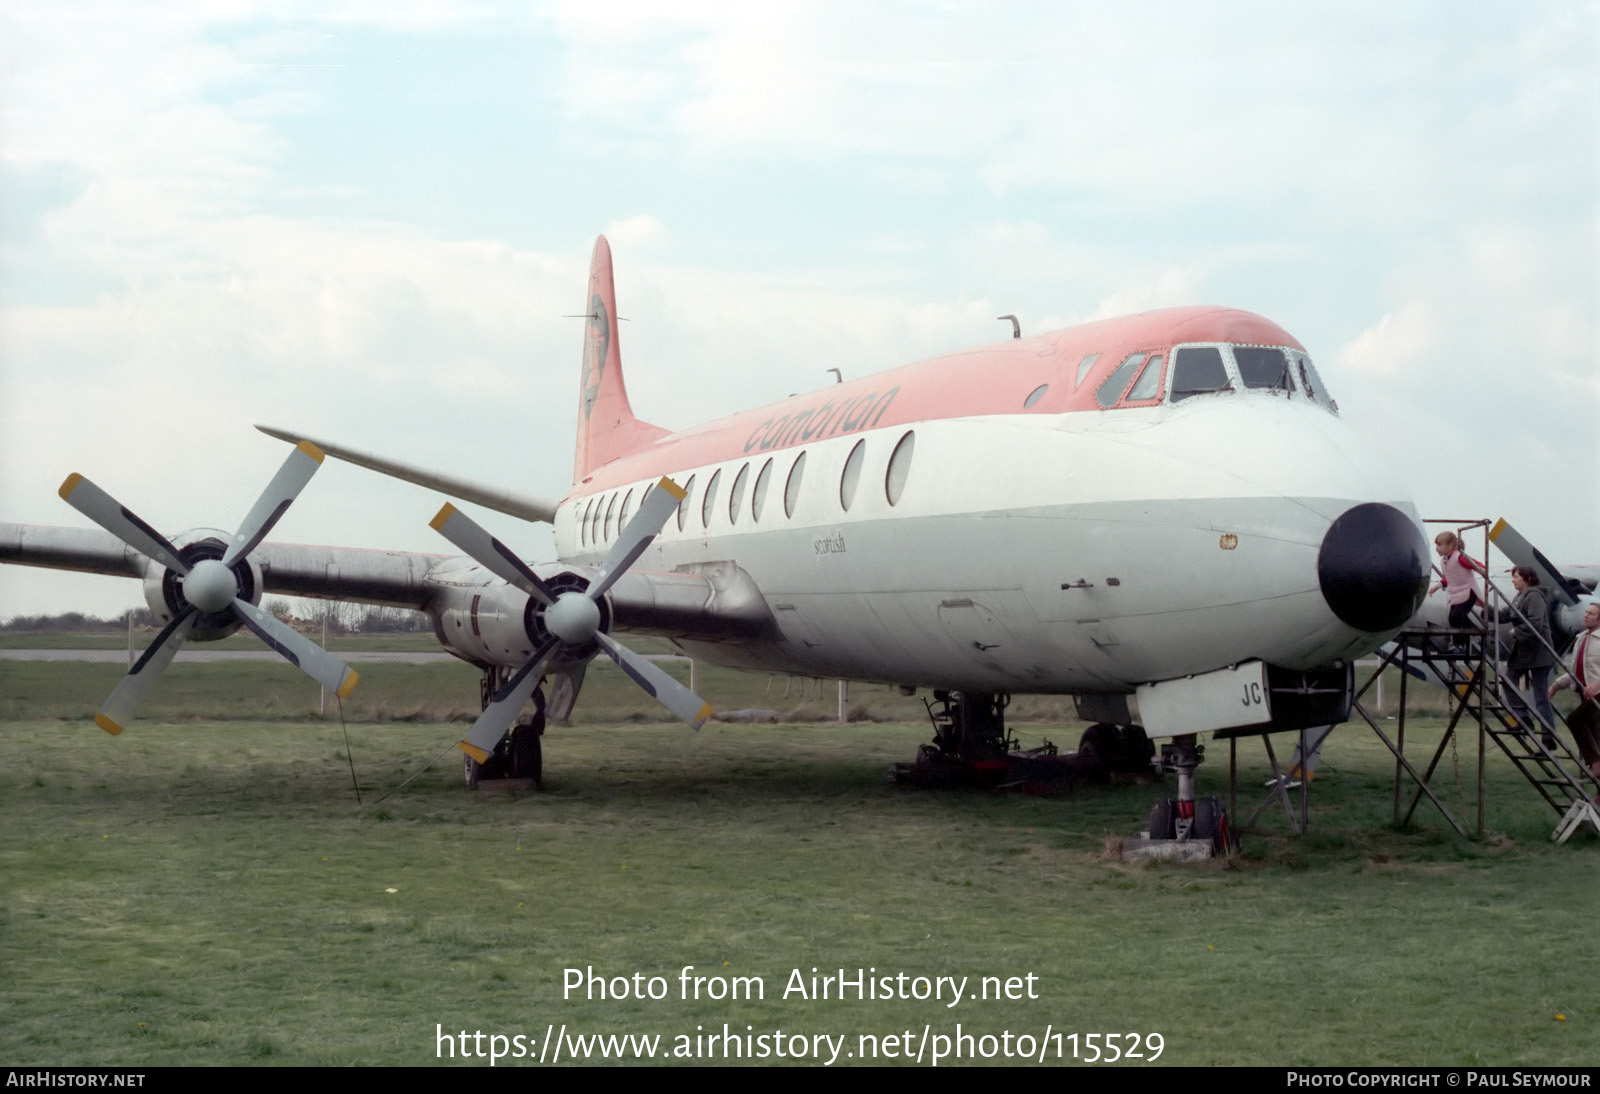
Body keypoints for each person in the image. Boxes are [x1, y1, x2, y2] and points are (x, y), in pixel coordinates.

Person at [1498, 566, 1557, 745]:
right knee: (1509, 681)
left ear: (1527, 579)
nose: (1513, 580)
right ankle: (1523, 717)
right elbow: (1505, 614)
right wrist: (1483, 607)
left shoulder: (1534, 596)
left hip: (1539, 653)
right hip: (1525, 653)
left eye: (1516, 576)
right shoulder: (1519, 598)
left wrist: (1516, 632)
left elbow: (1535, 623)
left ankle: (1548, 737)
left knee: (1540, 696)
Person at [1549, 601, 1600, 780]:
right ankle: (1596, 778)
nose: (1586, 615)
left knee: (1575, 719)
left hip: (1598, 695)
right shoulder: (1581, 639)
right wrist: (1556, 685)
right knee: (1594, 738)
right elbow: (1574, 670)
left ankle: (1595, 762)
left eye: (1591, 614)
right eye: (1586, 613)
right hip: (1584, 694)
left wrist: (1597, 685)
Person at [1430, 531, 1486, 636]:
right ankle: (1460, 643)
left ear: (1450, 546)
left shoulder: (1459, 557)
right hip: (1456, 595)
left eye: (1440, 545)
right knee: (1453, 619)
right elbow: (1447, 578)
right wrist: (1436, 587)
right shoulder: (1443, 561)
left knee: (1458, 616)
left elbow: (1474, 563)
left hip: (1469, 592)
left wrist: (1481, 569)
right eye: (1436, 545)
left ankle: (1475, 635)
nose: (1437, 548)